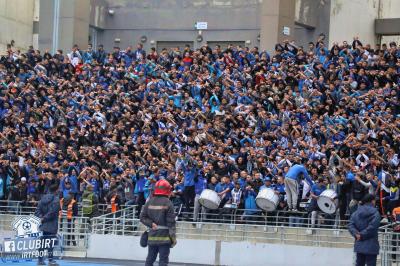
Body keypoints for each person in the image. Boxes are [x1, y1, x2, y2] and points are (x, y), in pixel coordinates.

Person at [140, 179, 176, 266]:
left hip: (152, 237)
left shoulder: (149, 201)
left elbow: (142, 217)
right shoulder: (168, 203)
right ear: (167, 190)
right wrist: (173, 239)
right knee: (163, 261)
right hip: (164, 238)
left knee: (150, 259)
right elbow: (171, 223)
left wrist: (151, 224)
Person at [348, 194, 381, 266]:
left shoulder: (356, 212)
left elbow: (350, 225)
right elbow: (373, 227)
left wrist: (357, 234)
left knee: (359, 263)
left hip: (359, 243)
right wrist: (361, 234)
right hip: (371, 244)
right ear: (372, 201)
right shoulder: (375, 213)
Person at [34, 182, 60, 266]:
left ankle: (40, 260)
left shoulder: (42, 199)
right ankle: (50, 260)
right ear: (56, 190)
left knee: (42, 243)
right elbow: (53, 212)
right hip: (52, 225)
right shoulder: (56, 200)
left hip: (43, 225)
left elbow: (37, 211)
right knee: (51, 244)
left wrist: (42, 218)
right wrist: (44, 218)